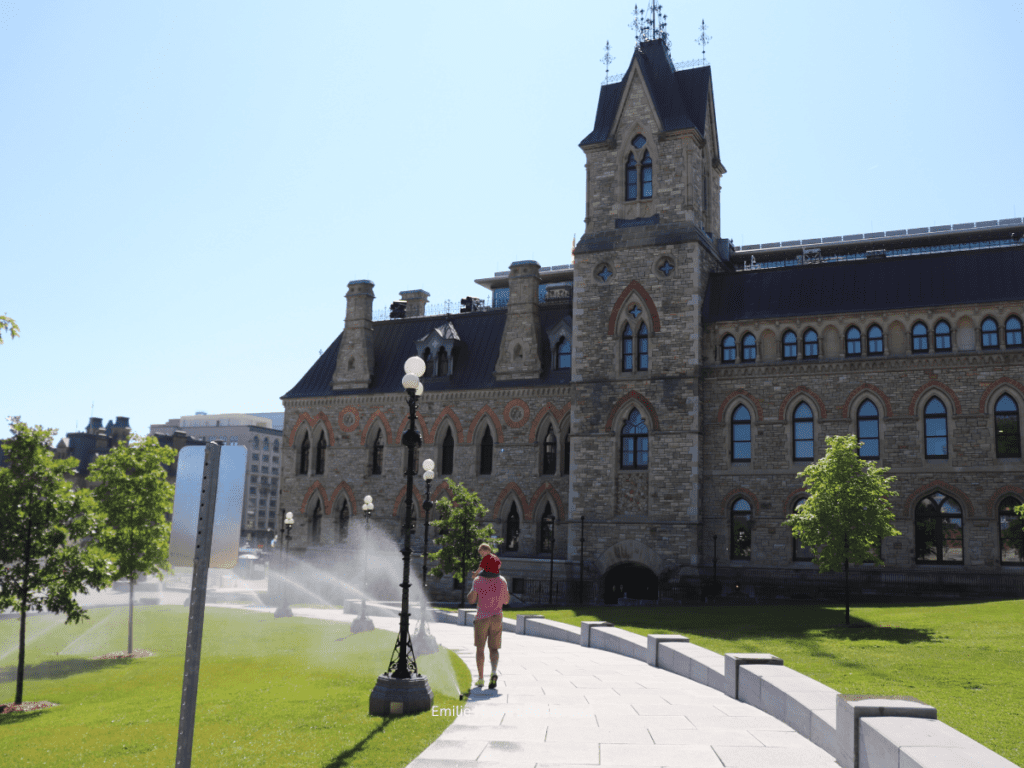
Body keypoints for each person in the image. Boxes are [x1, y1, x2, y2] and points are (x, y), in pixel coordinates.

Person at [466, 543, 509, 689]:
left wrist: (472, 589)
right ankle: (494, 671)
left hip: (482, 618)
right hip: (497, 617)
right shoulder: (502, 581)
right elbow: (506, 600)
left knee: (480, 649)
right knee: (494, 648)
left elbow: (471, 600)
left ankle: (480, 678)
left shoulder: (478, 581)